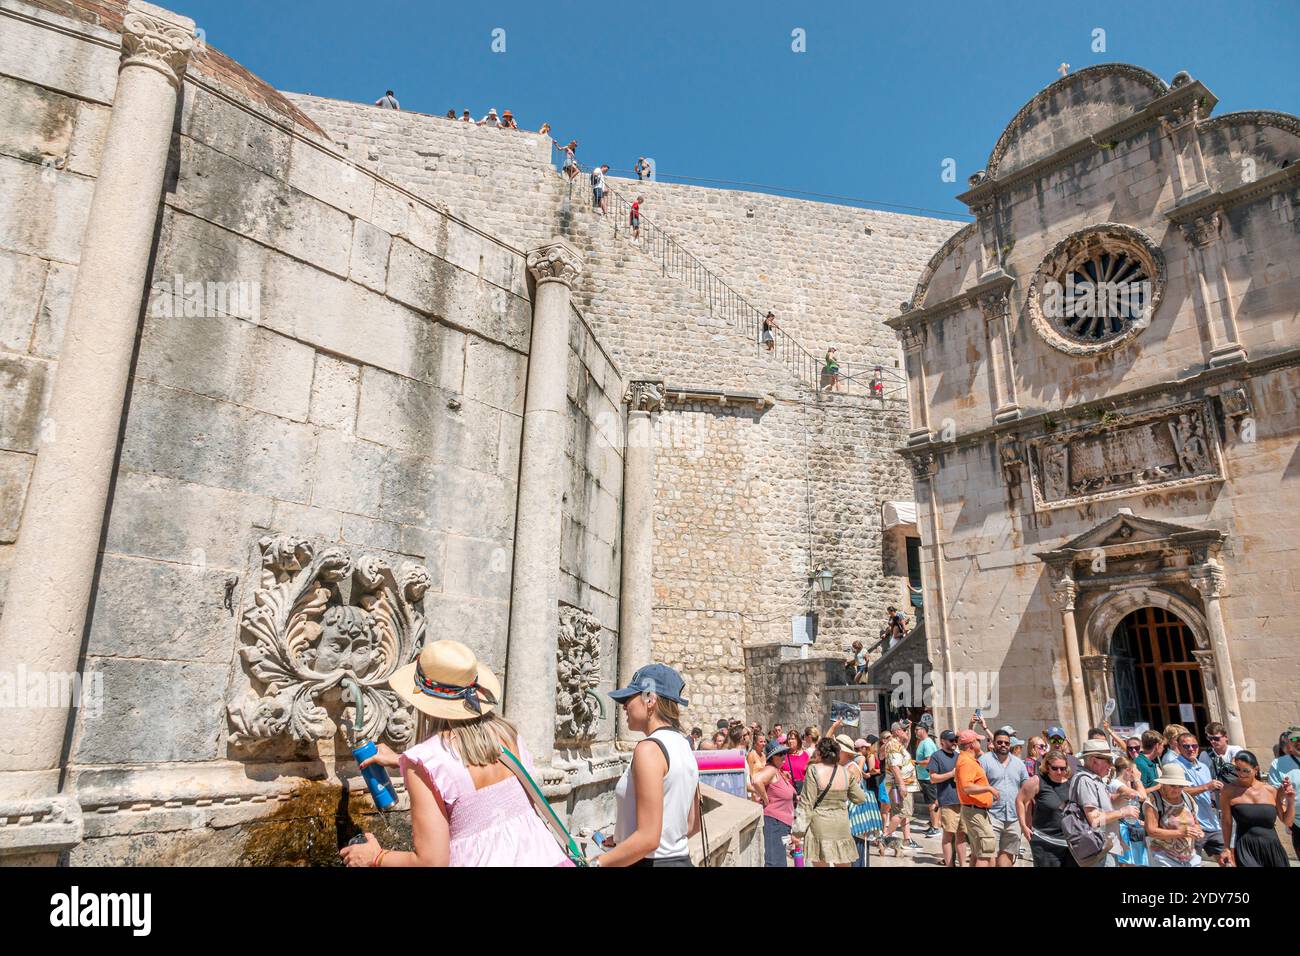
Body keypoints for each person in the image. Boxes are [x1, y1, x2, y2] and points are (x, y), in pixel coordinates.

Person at [339, 640, 570, 867]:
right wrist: (401, 759)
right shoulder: (508, 737)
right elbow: (471, 773)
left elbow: (431, 862)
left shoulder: (426, 761)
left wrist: (376, 857)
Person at [596, 663, 700, 866]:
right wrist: (624, 839)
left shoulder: (649, 749)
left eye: (629, 698)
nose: (625, 706)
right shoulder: (684, 746)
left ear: (650, 700)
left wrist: (597, 862)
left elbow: (648, 839)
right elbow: (691, 824)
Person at [792, 736, 867, 866]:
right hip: (841, 826)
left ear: (819, 753)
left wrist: (797, 832)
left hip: (820, 826)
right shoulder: (846, 773)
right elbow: (860, 798)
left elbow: (806, 804)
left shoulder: (813, 770)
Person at [1219, 751, 1294, 867]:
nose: (1241, 774)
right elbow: (1226, 822)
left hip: (1272, 847)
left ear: (1256, 769)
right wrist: (1227, 848)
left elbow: (1287, 821)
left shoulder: (1271, 790)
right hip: (1246, 848)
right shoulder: (1228, 791)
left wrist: (1290, 800)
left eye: (1246, 770)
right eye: (1238, 769)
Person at [1073, 739, 1140, 867]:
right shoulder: (1086, 781)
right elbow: (1095, 819)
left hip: (1105, 847)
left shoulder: (1094, 779)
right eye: (1108, 761)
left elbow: (1104, 805)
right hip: (1099, 849)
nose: (1111, 766)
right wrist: (1122, 812)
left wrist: (1121, 797)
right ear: (1093, 760)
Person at [1170, 731, 1226, 859]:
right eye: (1186, 746)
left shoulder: (1203, 767)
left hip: (1211, 822)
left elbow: (1207, 792)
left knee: (1227, 859)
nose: (1191, 749)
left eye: (1194, 746)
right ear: (1178, 747)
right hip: (1190, 825)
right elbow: (1178, 792)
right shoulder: (1174, 766)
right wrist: (1206, 787)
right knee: (1192, 862)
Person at [1016, 749, 1076, 867]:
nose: (1059, 772)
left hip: (1070, 844)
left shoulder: (1072, 782)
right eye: (1055, 768)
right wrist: (1023, 826)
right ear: (1047, 766)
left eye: (1062, 768)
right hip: (1045, 842)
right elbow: (1020, 800)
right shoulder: (1037, 781)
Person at [980, 727, 1029, 866]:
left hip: (1014, 817)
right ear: (993, 743)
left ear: (1010, 744)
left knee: (1007, 856)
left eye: (1006, 743)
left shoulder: (1019, 763)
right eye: (1000, 742)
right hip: (991, 815)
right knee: (987, 856)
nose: (1003, 745)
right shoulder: (984, 760)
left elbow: (1026, 787)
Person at [1142, 762, 1204, 867]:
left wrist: (1198, 831)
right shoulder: (1153, 800)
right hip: (1163, 858)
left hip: (1189, 858)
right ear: (1163, 784)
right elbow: (1151, 831)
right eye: (1172, 785)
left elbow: (1196, 823)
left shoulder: (1187, 798)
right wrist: (1181, 832)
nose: (1176, 789)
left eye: (1180, 786)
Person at [749, 738, 798, 867]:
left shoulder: (778, 771)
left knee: (780, 861)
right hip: (775, 822)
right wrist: (765, 799)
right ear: (772, 757)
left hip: (781, 824)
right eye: (780, 754)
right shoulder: (770, 770)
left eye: (784, 753)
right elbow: (756, 780)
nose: (783, 757)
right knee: (775, 862)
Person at [955, 729, 997, 866]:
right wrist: (989, 788)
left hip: (975, 810)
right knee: (985, 852)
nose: (980, 742)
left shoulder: (968, 760)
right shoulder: (966, 762)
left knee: (978, 851)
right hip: (975, 811)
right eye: (978, 740)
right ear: (972, 744)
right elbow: (967, 788)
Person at [929, 730, 966, 866]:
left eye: (955, 740)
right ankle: (950, 864)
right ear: (942, 742)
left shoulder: (960, 756)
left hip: (962, 800)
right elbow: (933, 778)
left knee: (961, 835)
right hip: (948, 800)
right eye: (951, 740)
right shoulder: (936, 756)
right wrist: (951, 774)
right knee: (948, 835)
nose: (954, 743)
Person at [1266, 726, 1300, 857]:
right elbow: (1274, 796)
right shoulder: (1278, 764)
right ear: (1289, 742)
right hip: (1297, 825)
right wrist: (1284, 818)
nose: (1298, 741)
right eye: (1295, 739)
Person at [1109, 755, 1149, 866]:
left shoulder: (1123, 784)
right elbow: (1142, 796)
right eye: (1136, 770)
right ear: (1128, 770)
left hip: (1130, 827)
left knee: (1134, 863)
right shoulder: (1117, 784)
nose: (1138, 773)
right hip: (1123, 829)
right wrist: (1137, 780)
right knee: (1126, 863)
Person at [884, 735, 921, 850]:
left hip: (901, 785)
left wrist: (908, 730)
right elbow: (895, 766)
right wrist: (901, 784)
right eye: (905, 730)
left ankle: (907, 840)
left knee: (903, 813)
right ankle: (884, 837)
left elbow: (907, 739)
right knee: (902, 812)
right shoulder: (894, 745)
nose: (909, 732)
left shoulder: (899, 745)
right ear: (898, 731)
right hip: (901, 785)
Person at [914, 723, 940, 837]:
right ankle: (933, 824)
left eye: (917, 729)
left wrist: (916, 762)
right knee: (930, 803)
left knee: (932, 803)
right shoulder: (922, 742)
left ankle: (935, 827)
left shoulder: (928, 743)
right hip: (924, 778)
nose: (915, 731)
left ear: (923, 730)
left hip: (928, 777)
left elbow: (929, 760)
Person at [783, 730, 810, 796]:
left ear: (798, 740)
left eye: (792, 739)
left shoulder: (805, 755)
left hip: (800, 792)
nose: (790, 741)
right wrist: (782, 773)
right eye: (789, 739)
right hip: (786, 791)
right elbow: (777, 770)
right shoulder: (783, 755)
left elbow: (808, 774)